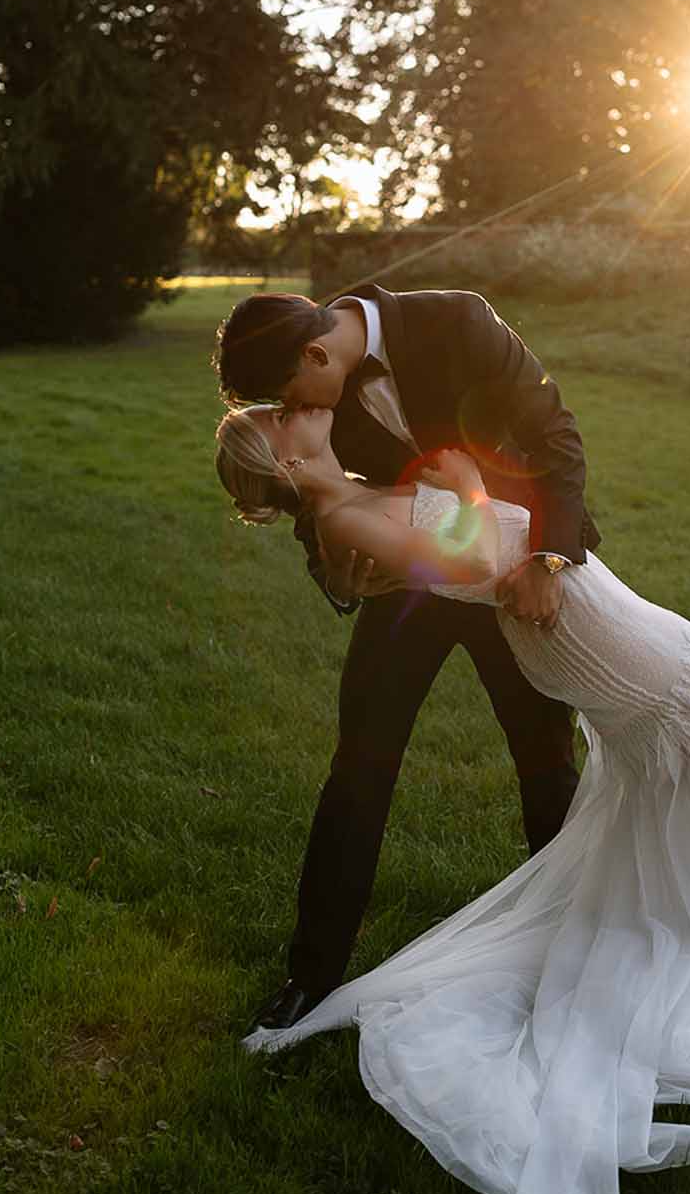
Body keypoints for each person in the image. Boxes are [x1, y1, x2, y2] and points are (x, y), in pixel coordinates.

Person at [214, 400, 690, 1194]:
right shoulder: (345, 512)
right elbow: (472, 553)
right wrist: (460, 478)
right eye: (282, 415)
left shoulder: (351, 489)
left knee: (687, 750)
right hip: (571, 625)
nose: (302, 408)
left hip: (577, 612)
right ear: (277, 456)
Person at [214, 285, 596, 1034]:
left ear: (315, 355)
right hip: (408, 589)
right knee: (360, 763)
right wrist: (338, 572)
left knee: (545, 760)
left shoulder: (459, 321)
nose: (293, 412)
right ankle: (312, 975)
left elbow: (557, 437)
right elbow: (310, 497)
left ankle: (576, 956)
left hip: (514, 574)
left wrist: (548, 559)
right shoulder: (318, 399)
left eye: (288, 396)